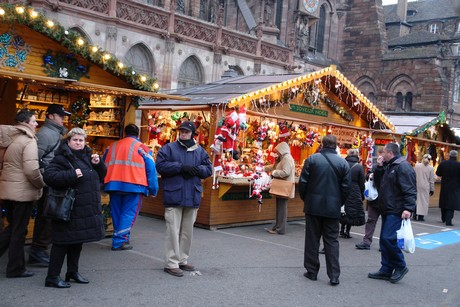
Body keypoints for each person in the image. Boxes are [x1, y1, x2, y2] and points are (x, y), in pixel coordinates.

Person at [43, 128, 107, 288]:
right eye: (75, 140)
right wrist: (71, 175)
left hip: (82, 209)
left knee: (77, 242)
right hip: (68, 209)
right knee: (61, 243)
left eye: (81, 140)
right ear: (68, 141)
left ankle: (72, 272)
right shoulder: (62, 158)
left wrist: (98, 165)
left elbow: (101, 175)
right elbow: (49, 176)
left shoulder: (88, 157)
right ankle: (52, 276)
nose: (78, 143)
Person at [156, 121, 212, 277]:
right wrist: (180, 167)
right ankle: (171, 262)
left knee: (187, 231)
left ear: (193, 134)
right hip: (175, 194)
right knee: (173, 231)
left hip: (192, 195)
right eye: (181, 131)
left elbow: (208, 169)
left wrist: (197, 170)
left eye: (186, 132)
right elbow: (160, 166)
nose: (183, 134)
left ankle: (182, 259)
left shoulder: (200, 151)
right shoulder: (169, 148)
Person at [298, 134, 350, 286]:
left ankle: (312, 271)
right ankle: (334, 275)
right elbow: (346, 188)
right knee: (332, 241)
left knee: (312, 240)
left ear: (322, 144)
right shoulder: (343, 163)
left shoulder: (312, 159)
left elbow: (303, 183)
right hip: (332, 208)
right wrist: (339, 202)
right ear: (336, 145)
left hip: (313, 206)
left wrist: (307, 199)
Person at [0, 109, 45, 278]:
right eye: (34, 121)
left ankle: (16, 267)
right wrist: (41, 183)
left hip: (7, 190)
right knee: (18, 231)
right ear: (26, 122)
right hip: (22, 192)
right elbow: (31, 169)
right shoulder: (28, 140)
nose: (36, 124)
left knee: (13, 229)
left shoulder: (10, 138)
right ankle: (16, 268)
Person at [103, 124, 158, 251]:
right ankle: (119, 241)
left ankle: (122, 237)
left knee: (117, 212)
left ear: (124, 132)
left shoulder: (112, 146)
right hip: (134, 185)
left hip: (113, 184)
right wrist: (153, 189)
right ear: (137, 134)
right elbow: (151, 170)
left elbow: (102, 164)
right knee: (128, 213)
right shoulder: (142, 147)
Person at [29, 104, 70, 267]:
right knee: (46, 216)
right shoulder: (46, 134)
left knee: (48, 216)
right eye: (61, 116)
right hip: (48, 181)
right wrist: (45, 175)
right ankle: (38, 250)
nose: (63, 119)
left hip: (53, 179)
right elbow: (35, 158)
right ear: (51, 116)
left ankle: (40, 249)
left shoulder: (55, 133)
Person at [368, 142, 416, 284]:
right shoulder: (390, 166)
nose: (381, 155)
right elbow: (378, 182)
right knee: (384, 239)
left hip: (396, 209)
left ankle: (400, 266)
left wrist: (408, 208)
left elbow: (410, 189)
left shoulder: (403, 167)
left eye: (383, 152)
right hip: (388, 207)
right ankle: (386, 268)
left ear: (390, 153)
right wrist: (379, 167)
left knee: (389, 238)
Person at [264, 141, 296, 235]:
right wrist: (264, 168)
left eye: (277, 151)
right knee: (280, 208)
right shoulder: (283, 158)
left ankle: (280, 229)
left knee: (282, 209)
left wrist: (274, 173)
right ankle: (277, 227)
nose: (276, 153)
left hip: (284, 186)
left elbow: (286, 172)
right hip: (282, 186)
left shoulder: (286, 158)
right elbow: (274, 167)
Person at [356, 148, 384, 250]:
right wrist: (370, 175)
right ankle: (366, 241)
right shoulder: (376, 165)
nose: (380, 155)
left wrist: (380, 168)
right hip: (374, 198)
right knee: (371, 220)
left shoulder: (391, 166)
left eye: (382, 153)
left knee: (385, 223)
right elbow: (368, 174)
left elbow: (384, 180)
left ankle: (383, 244)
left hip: (385, 199)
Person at [339, 148, 365, 238]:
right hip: (354, 190)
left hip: (343, 188)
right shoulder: (359, 167)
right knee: (352, 211)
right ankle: (347, 231)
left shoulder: (343, 164)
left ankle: (341, 229)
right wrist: (362, 193)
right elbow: (362, 182)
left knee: (343, 209)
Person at [435, 150, 460, 226]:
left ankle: (443, 218)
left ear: (449, 155)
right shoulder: (459, 165)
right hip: (455, 186)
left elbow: (438, 173)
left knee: (444, 201)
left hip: (445, 185)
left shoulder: (443, 163)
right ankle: (448, 220)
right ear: (456, 156)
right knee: (451, 204)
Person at [414, 154, 435, 222]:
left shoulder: (417, 166)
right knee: (423, 202)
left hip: (416, 185)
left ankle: (414, 214)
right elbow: (431, 180)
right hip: (425, 186)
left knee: (416, 200)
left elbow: (413, 175)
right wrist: (432, 189)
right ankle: (421, 216)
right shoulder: (431, 168)